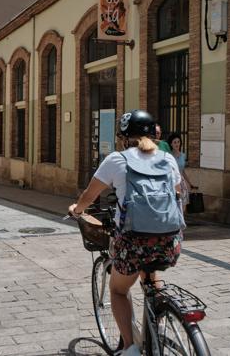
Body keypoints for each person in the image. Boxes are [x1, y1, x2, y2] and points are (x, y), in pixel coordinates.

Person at [68, 110, 183, 356]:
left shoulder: (117, 160)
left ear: (124, 137)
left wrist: (76, 211)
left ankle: (130, 347)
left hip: (132, 242)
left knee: (118, 290)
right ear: (154, 134)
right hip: (170, 241)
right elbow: (177, 194)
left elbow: (89, 196)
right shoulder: (168, 158)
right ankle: (159, 314)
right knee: (151, 271)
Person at [167, 132, 197, 211]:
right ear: (171, 144)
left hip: (182, 183)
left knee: (183, 205)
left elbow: (182, 171)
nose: (177, 144)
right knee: (174, 205)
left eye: (178, 142)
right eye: (175, 142)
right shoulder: (169, 156)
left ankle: (182, 221)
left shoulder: (183, 155)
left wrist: (190, 183)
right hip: (172, 182)